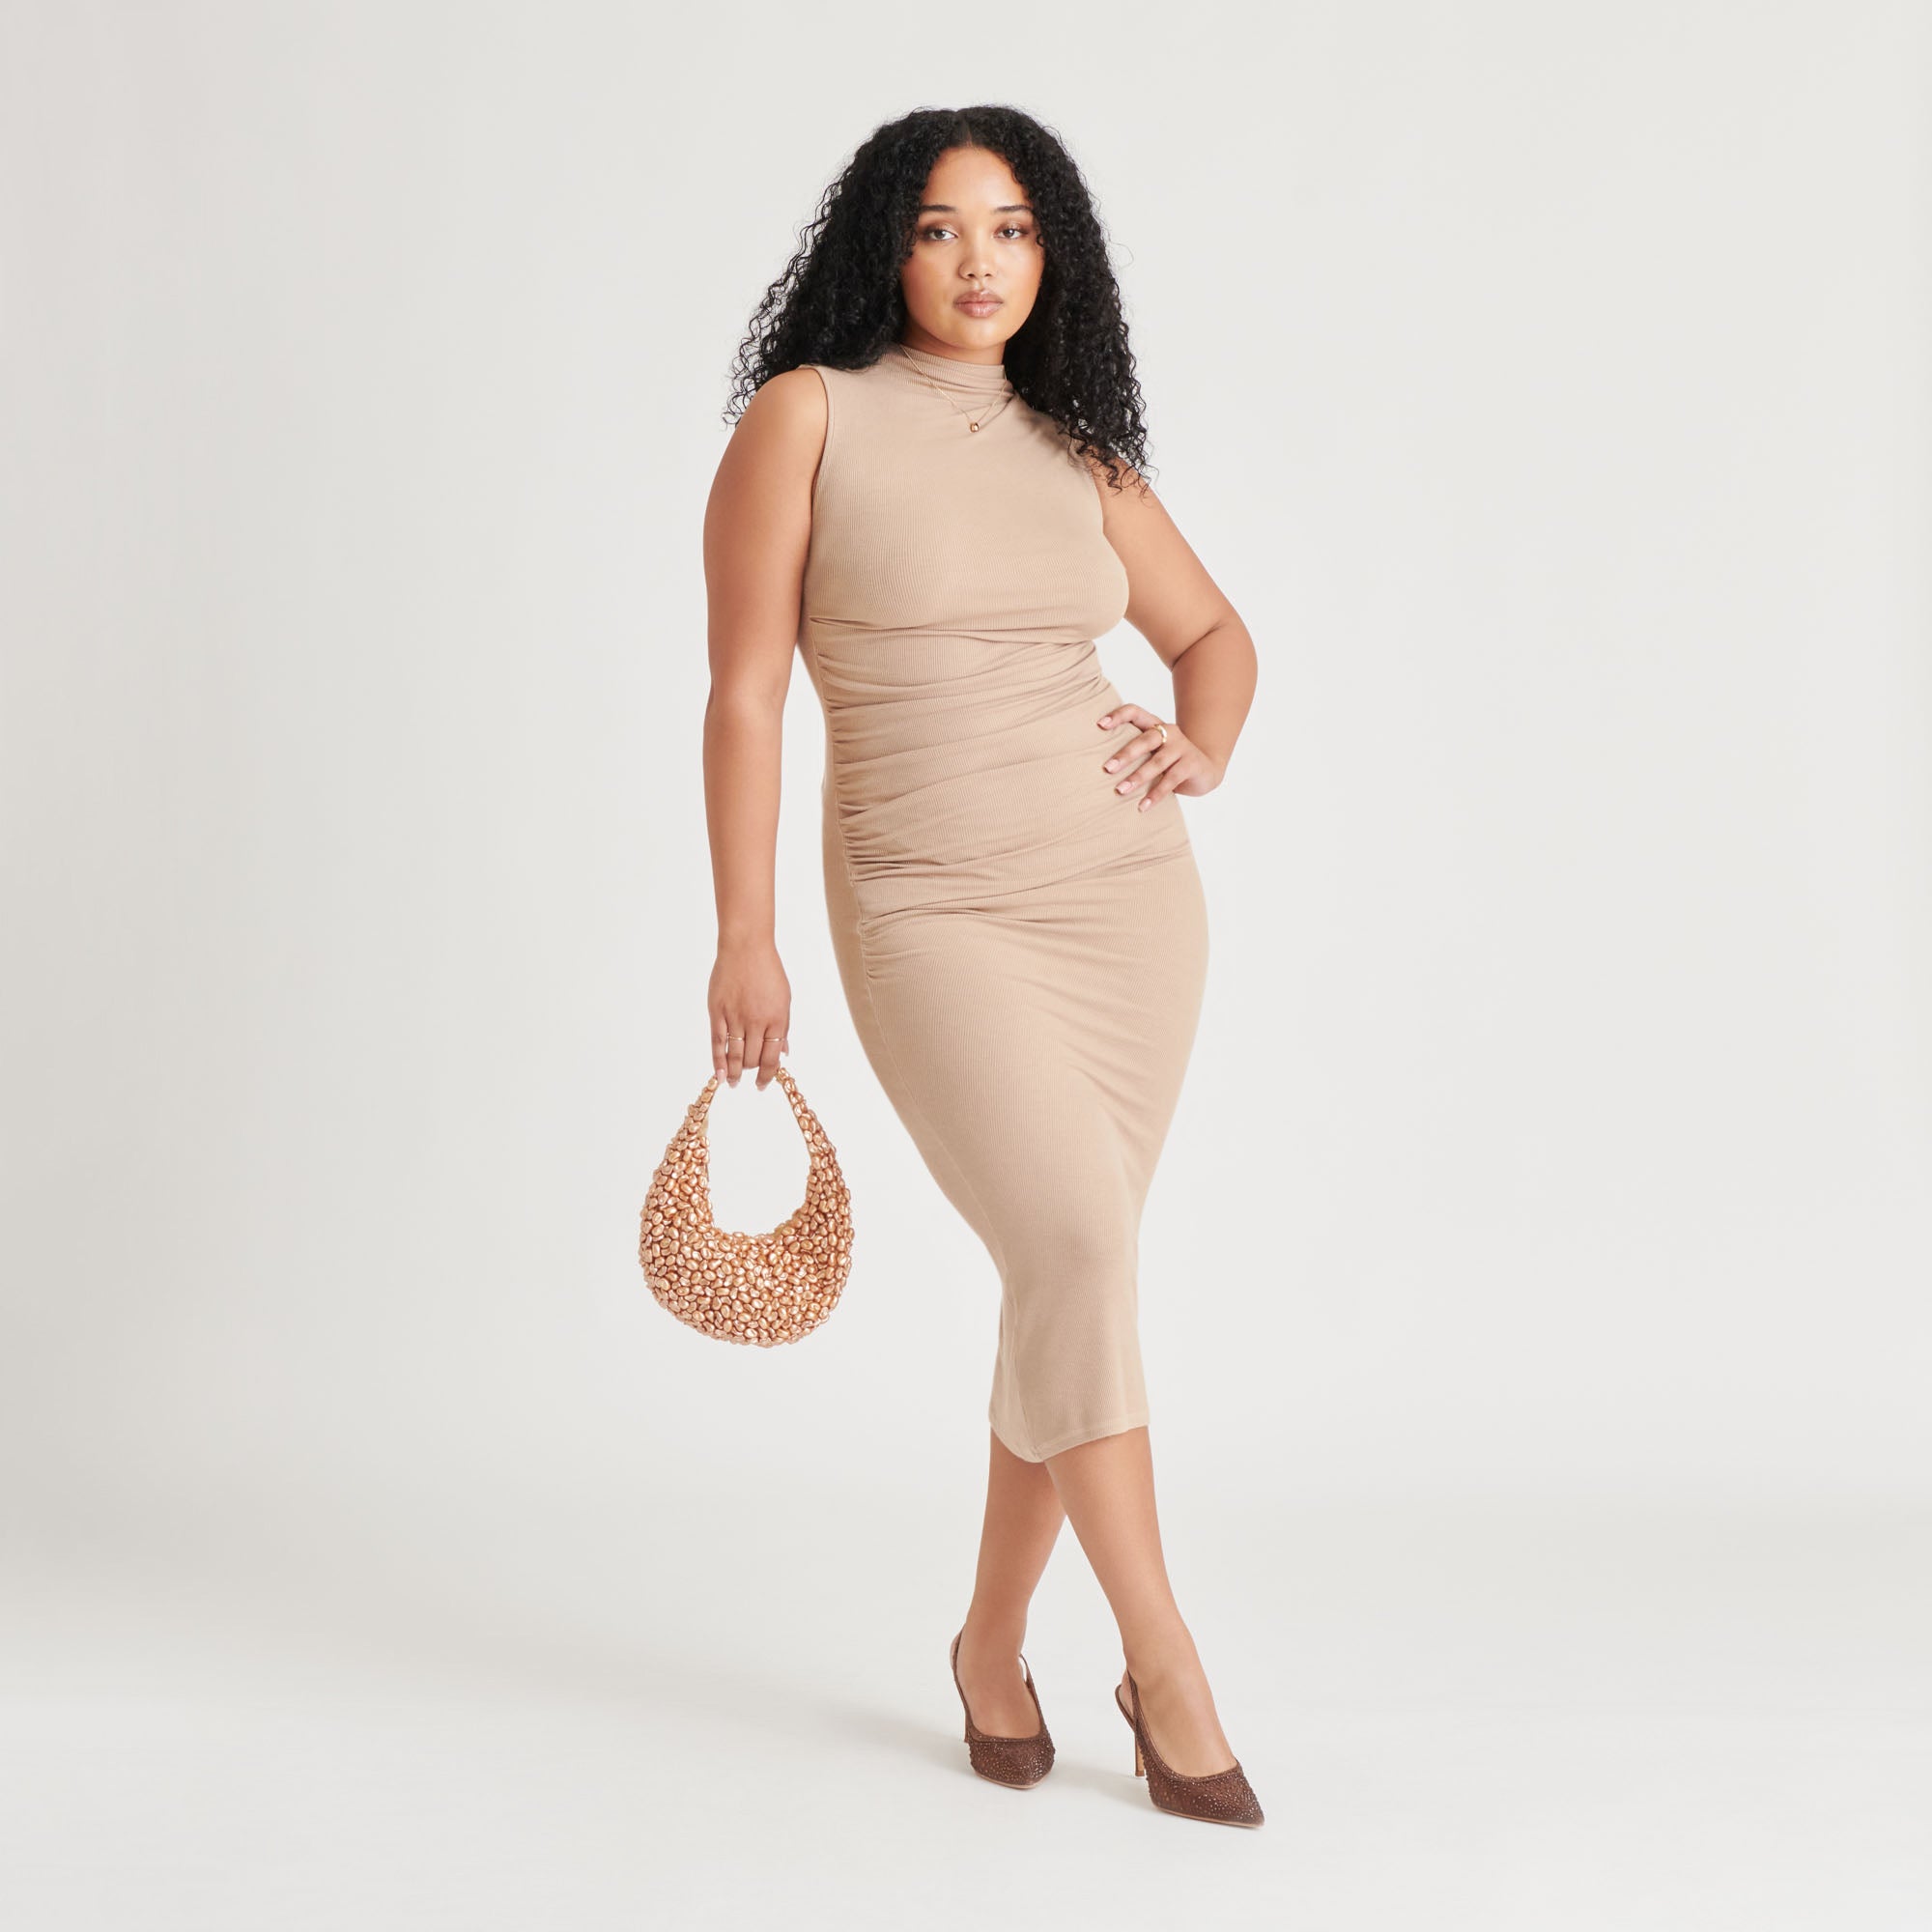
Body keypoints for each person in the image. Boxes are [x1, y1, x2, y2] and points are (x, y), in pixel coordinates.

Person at [699, 105, 1262, 1827]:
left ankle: (993, 1648)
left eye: (1012, 229)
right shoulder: (808, 418)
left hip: (1125, 903)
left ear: (1050, 255)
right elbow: (746, 695)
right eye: (942, 227)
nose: (978, 262)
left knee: (1062, 1273)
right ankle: (1165, 1663)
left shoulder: (1078, 450)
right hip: (925, 901)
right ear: (886, 244)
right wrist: (745, 934)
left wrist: (1202, 742)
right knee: (1078, 1248)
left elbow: (1214, 635)